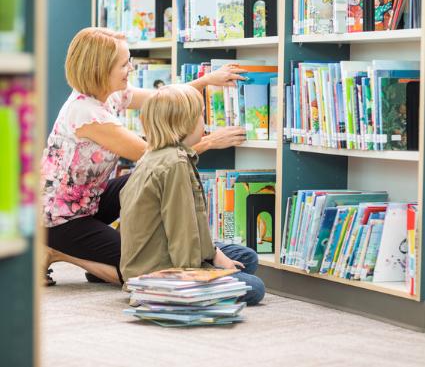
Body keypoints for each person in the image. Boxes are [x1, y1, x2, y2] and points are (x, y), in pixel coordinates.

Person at [41, 27, 247, 285]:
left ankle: (108, 252)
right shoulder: (87, 114)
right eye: (124, 64)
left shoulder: (110, 94)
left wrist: (206, 81)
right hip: (59, 218)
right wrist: (210, 142)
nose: (131, 68)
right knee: (137, 270)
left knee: (137, 181)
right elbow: (156, 158)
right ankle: (57, 251)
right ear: (100, 69)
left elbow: (163, 99)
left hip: (88, 200)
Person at [119, 84, 265, 306]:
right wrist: (199, 274)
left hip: (148, 258)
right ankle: (163, 293)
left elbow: (189, 224)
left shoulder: (154, 156)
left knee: (247, 257)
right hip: (160, 271)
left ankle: (190, 277)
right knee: (255, 288)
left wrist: (215, 254)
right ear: (184, 124)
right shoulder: (175, 163)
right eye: (201, 116)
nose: (204, 124)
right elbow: (182, 231)